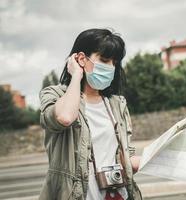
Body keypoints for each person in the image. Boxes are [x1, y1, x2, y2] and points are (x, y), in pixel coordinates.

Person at [38, 28, 143, 200]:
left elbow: (126, 160)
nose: (110, 67)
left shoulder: (117, 104)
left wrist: (160, 155)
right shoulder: (54, 95)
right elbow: (64, 117)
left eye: (114, 62)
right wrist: (76, 75)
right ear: (81, 59)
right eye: (104, 60)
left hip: (118, 195)